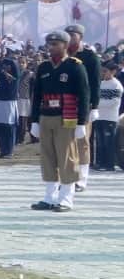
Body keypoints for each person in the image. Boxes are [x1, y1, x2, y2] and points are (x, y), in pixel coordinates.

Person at [29, 29, 89, 213]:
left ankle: (66, 199)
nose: (51, 47)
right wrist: (34, 121)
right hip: (46, 115)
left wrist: (81, 122)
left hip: (67, 117)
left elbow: (84, 95)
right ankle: (49, 197)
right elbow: (37, 94)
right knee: (48, 157)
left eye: (55, 44)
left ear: (65, 45)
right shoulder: (44, 67)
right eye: (49, 44)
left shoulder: (75, 66)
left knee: (66, 158)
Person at [65, 25, 102, 192]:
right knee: (65, 142)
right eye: (68, 34)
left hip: (83, 105)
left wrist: (94, 106)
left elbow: (95, 83)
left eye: (73, 35)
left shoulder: (90, 57)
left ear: (80, 36)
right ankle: (68, 176)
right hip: (64, 104)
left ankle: (82, 179)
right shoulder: (63, 55)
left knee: (82, 142)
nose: (70, 37)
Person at [93, 61, 121, 173]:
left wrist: (97, 104)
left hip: (110, 118)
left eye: (105, 71)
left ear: (113, 72)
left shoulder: (116, 85)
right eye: (102, 71)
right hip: (99, 117)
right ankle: (100, 162)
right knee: (100, 142)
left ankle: (110, 164)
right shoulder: (101, 83)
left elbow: (113, 102)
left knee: (108, 142)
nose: (103, 73)